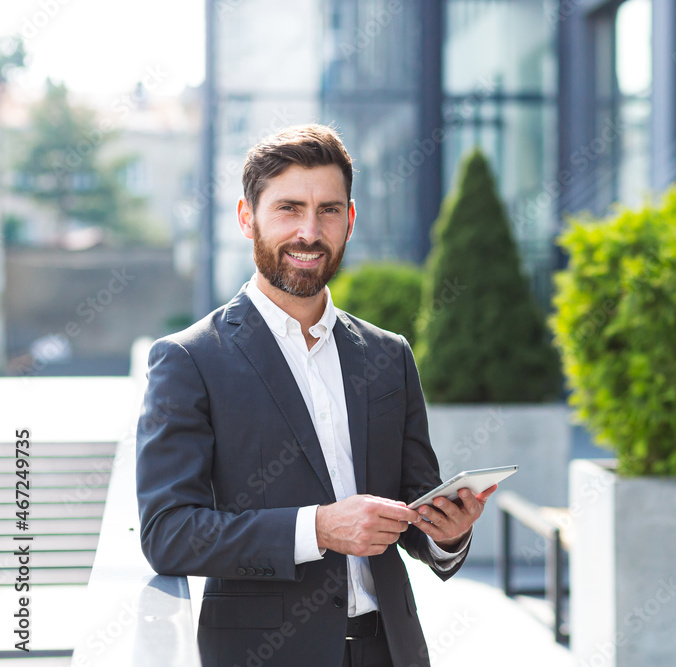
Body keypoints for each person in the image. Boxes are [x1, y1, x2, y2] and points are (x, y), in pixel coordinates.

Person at [136, 123, 494, 667]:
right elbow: (168, 533)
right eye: (288, 209)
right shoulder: (190, 360)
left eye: (328, 210)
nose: (309, 231)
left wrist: (447, 533)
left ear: (349, 221)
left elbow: (414, 510)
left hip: (391, 650)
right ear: (246, 217)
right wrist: (319, 528)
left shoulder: (388, 354)